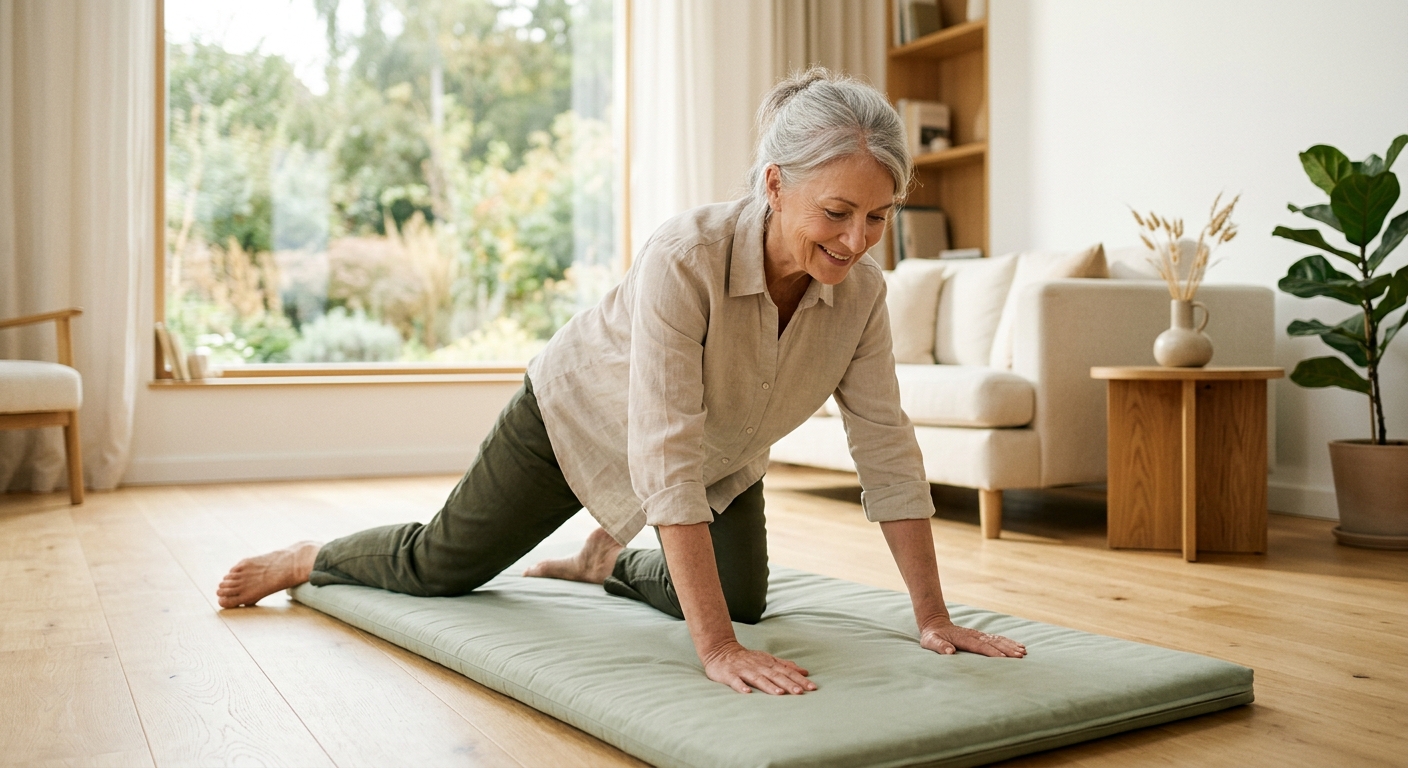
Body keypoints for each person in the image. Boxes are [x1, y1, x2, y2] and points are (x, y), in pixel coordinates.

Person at [217, 67, 1026, 696]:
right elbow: (664, 447)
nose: (856, 241)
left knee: (742, 599)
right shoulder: (688, 255)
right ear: (776, 185)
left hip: (719, 461)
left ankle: (608, 561)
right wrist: (715, 652)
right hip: (577, 421)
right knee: (441, 566)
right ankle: (306, 559)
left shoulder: (862, 295)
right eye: (837, 212)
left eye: (878, 218)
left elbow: (885, 444)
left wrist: (934, 618)